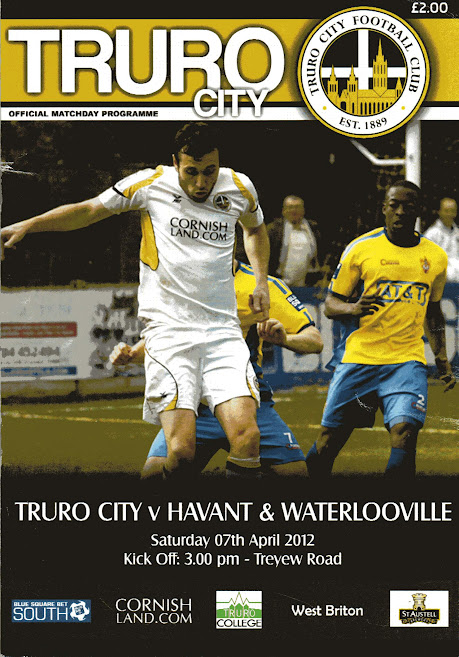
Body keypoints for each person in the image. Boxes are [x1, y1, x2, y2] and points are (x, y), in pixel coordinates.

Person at [1, 122, 271, 481]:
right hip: (170, 333)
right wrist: (29, 225)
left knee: (248, 438)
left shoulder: (239, 187)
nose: (201, 183)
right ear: (175, 163)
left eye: (210, 171)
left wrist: (262, 279)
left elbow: (255, 228)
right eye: (191, 172)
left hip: (223, 332)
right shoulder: (150, 183)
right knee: (182, 452)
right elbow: (88, 209)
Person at [110, 259, 323, 479]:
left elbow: (315, 341)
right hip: (196, 406)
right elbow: (166, 337)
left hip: (248, 404)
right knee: (153, 475)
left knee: (296, 475)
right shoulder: (185, 286)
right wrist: (131, 354)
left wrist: (285, 340)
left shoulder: (261, 285)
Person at [305, 180, 456, 481]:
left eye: (407, 206)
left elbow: (433, 311)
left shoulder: (436, 257)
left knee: (405, 431)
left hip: (406, 361)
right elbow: (331, 304)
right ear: (384, 208)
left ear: (419, 211)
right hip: (360, 358)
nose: (400, 212)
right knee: (329, 440)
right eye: (394, 205)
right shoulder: (361, 248)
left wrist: (442, 359)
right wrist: (353, 308)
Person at [267, 195, 320, 287]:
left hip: (306, 283)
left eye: (297, 207)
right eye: (290, 207)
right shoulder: (273, 229)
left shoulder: (313, 228)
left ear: (303, 210)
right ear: (284, 210)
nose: (294, 210)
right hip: (279, 282)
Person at [423, 197, 459, 282]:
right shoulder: (431, 234)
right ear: (439, 212)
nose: (450, 214)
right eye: (446, 211)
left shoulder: (457, 233)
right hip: (441, 280)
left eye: (452, 211)